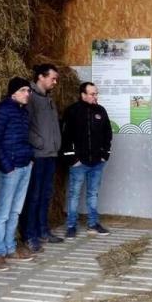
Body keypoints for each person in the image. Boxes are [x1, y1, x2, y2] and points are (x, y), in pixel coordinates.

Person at [0, 78, 36, 271]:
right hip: (11, 168)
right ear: (13, 92)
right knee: (3, 212)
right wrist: (7, 165)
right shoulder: (3, 110)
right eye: (24, 90)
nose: (28, 94)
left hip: (24, 164)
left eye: (28, 90)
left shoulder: (22, 111)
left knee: (15, 210)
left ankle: (10, 247)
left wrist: (29, 158)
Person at [61, 82, 113, 239]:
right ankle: (71, 226)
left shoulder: (100, 111)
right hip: (79, 163)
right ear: (83, 95)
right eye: (92, 94)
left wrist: (105, 155)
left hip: (97, 162)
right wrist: (73, 159)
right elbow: (65, 137)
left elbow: (107, 134)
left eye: (96, 94)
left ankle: (93, 223)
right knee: (74, 194)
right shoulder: (72, 111)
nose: (95, 96)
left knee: (93, 194)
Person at [22, 64, 63, 253]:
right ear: (41, 77)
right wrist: (39, 143)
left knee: (46, 195)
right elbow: (25, 125)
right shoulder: (30, 97)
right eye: (52, 78)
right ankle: (30, 235)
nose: (55, 82)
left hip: (50, 154)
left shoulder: (49, 99)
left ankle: (43, 230)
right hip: (38, 155)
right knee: (34, 195)